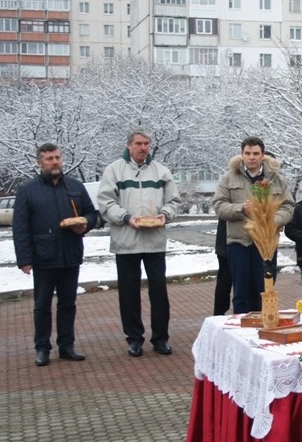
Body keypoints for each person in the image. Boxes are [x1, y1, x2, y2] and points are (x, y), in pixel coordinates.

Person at [13, 143, 99, 366]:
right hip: (43, 257)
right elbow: (20, 227)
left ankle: (66, 346)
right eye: (50, 158)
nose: (55, 162)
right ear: (40, 162)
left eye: (58, 158)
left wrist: (85, 225)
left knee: (68, 304)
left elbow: (91, 213)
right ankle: (42, 348)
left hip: (70, 253)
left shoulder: (75, 187)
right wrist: (24, 260)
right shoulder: (28, 190)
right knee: (42, 305)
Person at [98, 129, 182, 357]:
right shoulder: (114, 170)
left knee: (159, 292)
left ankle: (160, 338)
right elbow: (106, 202)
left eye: (146, 143)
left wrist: (165, 214)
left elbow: (174, 200)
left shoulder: (160, 171)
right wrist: (126, 217)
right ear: (129, 146)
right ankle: (134, 338)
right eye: (138, 144)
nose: (143, 148)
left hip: (154, 241)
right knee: (128, 293)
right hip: (126, 241)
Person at [212, 136, 295, 314]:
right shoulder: (229, 177)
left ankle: (264, 325)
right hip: (239, 243)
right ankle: (242, 331)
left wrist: (273, 220)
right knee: (240, 293)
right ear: (241, 155)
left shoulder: (276, 179)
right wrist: (240, 208)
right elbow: (219, 205)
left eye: (256, 153)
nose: (251, 157)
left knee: (265, 290)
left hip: (266, 244)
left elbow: (288, 206)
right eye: (247, 153)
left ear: (262, 155)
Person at [211, 219, 233, 316]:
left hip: (227, 245)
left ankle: (219, 312)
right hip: (226, 245)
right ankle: (219, 313)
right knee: (224, 282)